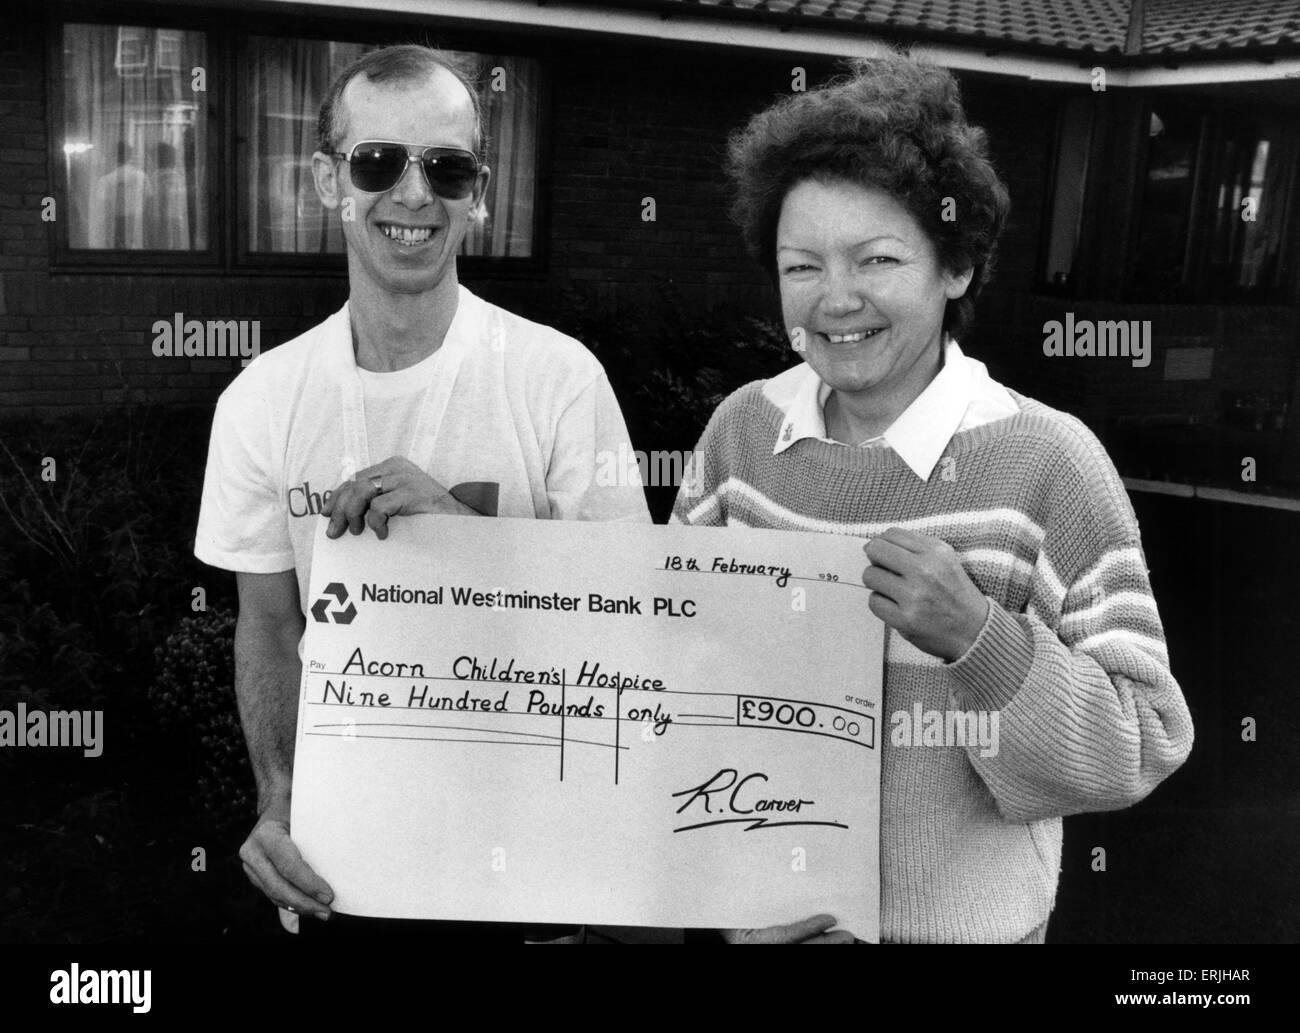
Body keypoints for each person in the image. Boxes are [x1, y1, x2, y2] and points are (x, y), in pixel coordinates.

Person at [672, 54, 1194, 944]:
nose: (835, 299)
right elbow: (674, 677)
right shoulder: (740, 438)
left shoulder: (1048, 463)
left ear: (955, 267)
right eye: (801, 266)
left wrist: (981, 641)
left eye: (877, 258)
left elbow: (1138, 743)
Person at [194, 45, 649, 942]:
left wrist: (465, 545)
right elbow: (272, 626)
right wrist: (280, 804)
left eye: (446, 167)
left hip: (528, 868)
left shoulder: (558, 378)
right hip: (347, 869)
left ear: (478, 191)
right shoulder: (261, 401)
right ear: (328, 179)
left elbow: (629, 615)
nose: (413, 195)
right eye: (377, 163)